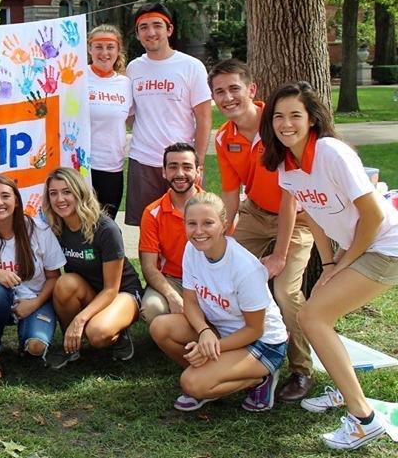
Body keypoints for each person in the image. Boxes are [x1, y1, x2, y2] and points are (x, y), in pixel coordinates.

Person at [261, 81, 398, 450]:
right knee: (321, 314)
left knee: (312, 317)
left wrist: (343, 263)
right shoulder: (287, 166)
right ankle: (345, 389)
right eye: (278, 116)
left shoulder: (332, 152)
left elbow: (372, 217)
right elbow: (315, 217)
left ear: (312, 119)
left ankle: (363, 419)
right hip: (358, 248)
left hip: (387, 246)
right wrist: (328, 262)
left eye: (295, 115)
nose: (286, 124)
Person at [209, 60, 316, 401]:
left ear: (251, 89)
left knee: (285, 291)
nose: (228, 98)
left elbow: (290, 197)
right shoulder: (224, 137)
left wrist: (280, 255)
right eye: (220, 92)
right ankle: (244, 352)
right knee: (228, 276)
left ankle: (301, 369)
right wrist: (222, 237)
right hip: (254, 213)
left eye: (234, 88)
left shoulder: (278, 125)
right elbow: (230, 194)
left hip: (297, 215)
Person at [150, 192, 288, 413]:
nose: (199, 231)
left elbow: (255, 329)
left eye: (208, 223)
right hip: (219, 331)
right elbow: (190, 302)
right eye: (192, 223)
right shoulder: (192, 250)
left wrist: (212, 347)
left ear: (224, 224)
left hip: (262, 343)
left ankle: (260, 378)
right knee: (160, 327)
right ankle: (212, 374)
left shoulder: (245, 268)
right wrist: (204, 332)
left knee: (191, 384)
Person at [0, 175, 65, 379]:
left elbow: (54, 277)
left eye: (5, 196)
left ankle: (26, 340)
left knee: (36, 347)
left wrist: (34, 303)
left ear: (17, 201)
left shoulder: (39, 230)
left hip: (35, 301)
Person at [124, 3, 211, 227]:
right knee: (148, 227)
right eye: (144, 27)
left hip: (181, 163)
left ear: (169, 29)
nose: (151, 32)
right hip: (143, 161)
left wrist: (198, 162)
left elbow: (204, 118)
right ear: (137, 34)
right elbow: (129, 114)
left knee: (189, 225)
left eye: (157, 25)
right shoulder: (133, 68)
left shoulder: (191, 66)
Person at [44, 167, 142, 365]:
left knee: (97, 333)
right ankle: (71, 346)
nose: (60, 199)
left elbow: (111, 289)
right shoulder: (55, 227)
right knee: (64, 284)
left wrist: (80, 319)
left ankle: (120, 332)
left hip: (121, 292)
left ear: (79, 193)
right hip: (89, 290)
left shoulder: (106, 229)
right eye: (53, 193)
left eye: (67, 192)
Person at [139, 143, 200, 324]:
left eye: (187, 167)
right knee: (152, 309)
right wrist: (172, 295)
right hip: (171, 280)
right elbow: (149, 267)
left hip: (206, 279)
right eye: (173, 167)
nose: (180, 173)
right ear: (164, 172)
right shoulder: (152, 213)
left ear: (198, 171)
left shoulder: (213, 208)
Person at [86, 24, 132, 218]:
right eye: (98, 47)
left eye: (110, 47)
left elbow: (133, 119)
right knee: (79, 224)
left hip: (112, 166)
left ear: (118, 50)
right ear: (89, 49)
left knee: (106, 225)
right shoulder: (76, 77)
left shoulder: (125, 84)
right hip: (82, 166)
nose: (104, 53)